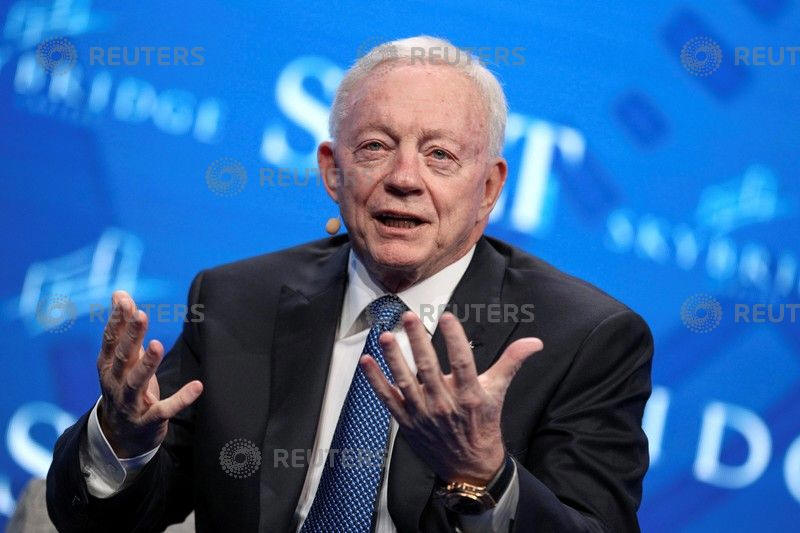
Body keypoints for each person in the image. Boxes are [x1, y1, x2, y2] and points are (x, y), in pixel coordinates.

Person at [46, 36, 653, 532]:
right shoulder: (237, 300)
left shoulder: (585, 339)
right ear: (333, 171)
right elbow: (104, 520)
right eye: (375, 147)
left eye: (440, 155)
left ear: (489, 188)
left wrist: (485, 476)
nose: (404, 178)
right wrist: (120, 441)